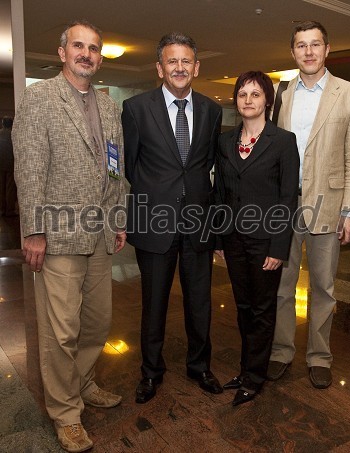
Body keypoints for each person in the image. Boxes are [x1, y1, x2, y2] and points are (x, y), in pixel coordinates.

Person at [12, 20, 126, 453]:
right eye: (78, 46)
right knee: (61, 332)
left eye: (94, 48)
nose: (87, 54)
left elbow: (116, 167)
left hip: (99, 234)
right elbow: (29, 169)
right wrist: (34, 231)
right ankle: (65, 413)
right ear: (62, 53)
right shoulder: (40, 98)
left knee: (97, 322)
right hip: (57, 236)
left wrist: (118, 217)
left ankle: (82, 382)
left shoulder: (107, 103)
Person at [122, 32, 223, 404]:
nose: (179, 67)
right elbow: (131, 166)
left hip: (198, 222)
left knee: (200, 302)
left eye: (186, 61)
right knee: (153, 303)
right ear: (159, 67)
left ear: (196, 67)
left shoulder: (212, 110)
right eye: (171, 61)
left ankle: (200, 367)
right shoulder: (135, 108)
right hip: (154, 223)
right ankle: (151, 373)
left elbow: (206, 165)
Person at [268, 20, 350, 389]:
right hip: (285, 206)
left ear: (327, 49)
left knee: (324, 287)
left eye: (315, 44)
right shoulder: (281, 94)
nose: (308, 51)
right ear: (292, 52)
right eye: (300, 45)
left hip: (329, 204)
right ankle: (280, 351)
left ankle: (319, 356)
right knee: (281, 285)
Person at [214, 71, 299, 406]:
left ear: (268, 101)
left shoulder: (283, 141)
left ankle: (255, 376)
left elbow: (287, 197)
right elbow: (220, 192)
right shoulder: (225, 141)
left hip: (266, 241)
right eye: (242, 94)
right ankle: (245, 368)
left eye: (255, 94)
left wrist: (279, 246)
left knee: (263, 309)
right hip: (233, 238)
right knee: (244, 306)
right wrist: (219, 238)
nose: (248, 100)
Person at [0, 116, 16, 217]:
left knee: (1, 187)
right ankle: (10, 210)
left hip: (0, 164)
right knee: (10, 188)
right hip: (11, 164)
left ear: (2, 123)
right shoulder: (14, 134)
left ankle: (1, 209)